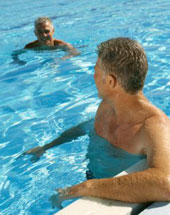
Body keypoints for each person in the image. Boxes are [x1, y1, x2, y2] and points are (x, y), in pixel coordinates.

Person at [25, 37, 170, 207]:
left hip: (113, 200)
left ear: (111, 81)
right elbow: (86, 127)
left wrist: (86, 187)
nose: (93, 76)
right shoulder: (108, 105)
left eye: (96, 72)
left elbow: (165, 184)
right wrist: (47, 146)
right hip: (94, 182)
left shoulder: (153, 126)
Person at [12, 17, 80, 64]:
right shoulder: (31, 46)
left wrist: (62, 59)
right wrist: (18, 61)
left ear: (53, 31)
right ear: (35, 33)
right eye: (39, 32)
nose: (44, 35)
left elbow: (76, 52)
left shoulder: (60, 45)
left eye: (47, 31)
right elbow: (15, 54)